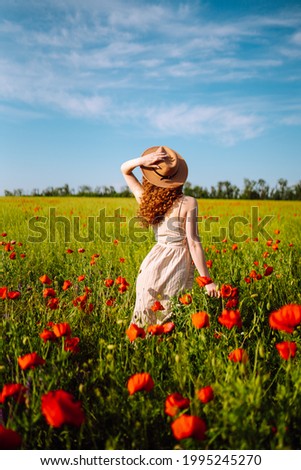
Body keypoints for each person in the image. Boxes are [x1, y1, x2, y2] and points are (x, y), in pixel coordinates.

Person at [121, 145, 220, 327]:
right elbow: (194, 244)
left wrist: (143, 161)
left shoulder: (146, 199)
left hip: (153, 264)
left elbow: (124, 169)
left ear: (150, 176)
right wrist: (207, 282)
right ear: (179, 177)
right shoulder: (189, 202)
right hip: (178, 265)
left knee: (144, 320)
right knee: (170, 320)